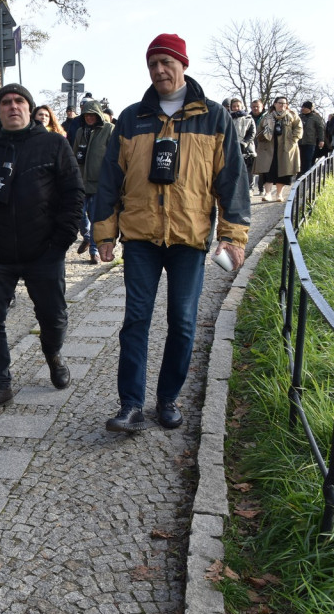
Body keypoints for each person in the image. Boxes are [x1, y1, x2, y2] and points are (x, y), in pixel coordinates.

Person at [94, 33, 250, 433]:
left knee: (182, 321)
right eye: (153, 64)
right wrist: (105, 232)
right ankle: (131, 404)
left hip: (189, 238)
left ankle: (167, 398)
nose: (159, 70)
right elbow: (110, 179)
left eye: (166, 62)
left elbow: (231, 181)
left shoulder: (213, 117)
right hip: (142, 237)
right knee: (136, 320)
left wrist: (232, 236)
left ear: (183, 64)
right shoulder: (132, 118)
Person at [0, 84, 83, 418]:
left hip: (44, 253)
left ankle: (53, 355)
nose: (13, 107)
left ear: (29, 108)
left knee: (53, 318)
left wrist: (59, 245)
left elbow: (74, 196)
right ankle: (1, 384)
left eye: (19, 101)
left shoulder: (54, 144)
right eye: (6, 103)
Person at [71, 99, 114, 265]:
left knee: (95, 217)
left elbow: (114, 155)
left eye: (92, 115)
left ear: (98, 115)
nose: (89, 118)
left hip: (99, 182)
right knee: (79, 215)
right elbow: (74, 154)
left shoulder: (109, 129)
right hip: (81, 181)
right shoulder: (81, 131)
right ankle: (88, 237)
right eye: (86, 115)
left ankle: (94, 251)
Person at [253, 96, 302, 203]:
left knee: (283, 172)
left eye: (285, 103)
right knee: (268, 171)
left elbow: (299, 129)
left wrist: (292, 141)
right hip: (268, 148)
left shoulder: (292, 116)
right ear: (275, 104)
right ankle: (268, 194)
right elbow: (259, 130)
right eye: (280, 103)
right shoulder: (267, 117)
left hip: (285, 149)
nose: (282, 105)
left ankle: (279, 195)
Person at [229, 99, 257, 191]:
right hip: (231, 147)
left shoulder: (249, 118)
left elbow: (252, 133)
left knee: (248, 169)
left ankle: (250, 188)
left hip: (246, 148)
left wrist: (244, 143)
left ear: (242, 107)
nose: (236, 108)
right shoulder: (227, 118)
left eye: (238, 106)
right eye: (234, 106)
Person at [298, 101, 326, 175]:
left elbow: (320, 129)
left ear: (310, 108)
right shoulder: (299, 117)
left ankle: (306, 176)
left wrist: (321, 140)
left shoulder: (316, 117)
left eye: (305, 107)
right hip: (299, 142)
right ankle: (299, 175)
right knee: (300, 160)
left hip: (310, 142)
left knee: (307, 159)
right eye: (302, 107)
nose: (302, 109)